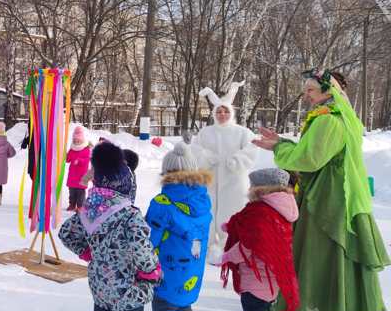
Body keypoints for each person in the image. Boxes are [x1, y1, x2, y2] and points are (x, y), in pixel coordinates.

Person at [252, 70, 389, 311]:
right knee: (334, 257)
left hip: (326, 199)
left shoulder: (328, 120)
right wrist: (283, 143)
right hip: (338, 195)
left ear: (329, 90)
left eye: (311, 90)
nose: (306, 96)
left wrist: (279, 149)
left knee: (318, 255)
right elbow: (317, 153)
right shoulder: (342, 118)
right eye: (305, 91)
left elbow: (308, 160)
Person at [59, 142, 159, 311]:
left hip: (100, 290)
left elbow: (66, 233)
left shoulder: (90, 209)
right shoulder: (130, 216)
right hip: (128, 294)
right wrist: (151, 271)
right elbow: (141, 249)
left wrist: (87, 251)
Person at [194, 81, 256, 262]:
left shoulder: (242, 132)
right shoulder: (206, 133)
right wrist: (206, 157)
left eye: (226, 111)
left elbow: (251, 150)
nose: (222, 114)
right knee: (210, 211)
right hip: (210, 180)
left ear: (232, 113)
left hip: (234, 181)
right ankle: (210, 245)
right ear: (214, 114)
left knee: (232, 211)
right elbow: (195, 150)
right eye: (219, 111)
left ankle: (230, 245)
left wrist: (236, 161)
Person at [220, 168, 299, 311]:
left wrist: (226, 256)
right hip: (271, 282)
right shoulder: (280, 210)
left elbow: (248, 246)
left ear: (261, 189)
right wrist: (232, 227)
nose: (249, 188)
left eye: (252, 185)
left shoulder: (261, 212)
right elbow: (258, 233)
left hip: (255, 284)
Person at [146, 143, 212, 311]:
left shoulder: (162, 204)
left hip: (165, 281)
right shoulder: (203, 201)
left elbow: (148, 243)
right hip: (191, 277)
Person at [65, 126, 92, 211]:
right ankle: (72, 204)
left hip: (81, 174)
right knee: (72, 191)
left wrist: (79, 160)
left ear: (82, 140)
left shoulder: (86, 149)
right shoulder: (72, 149)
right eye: (75, 140)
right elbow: (68, 160)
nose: (76, 142)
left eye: (78, 140)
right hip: (73, 174)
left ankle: (80, 206)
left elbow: (87, 159)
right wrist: (65, 155)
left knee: (80, 192)